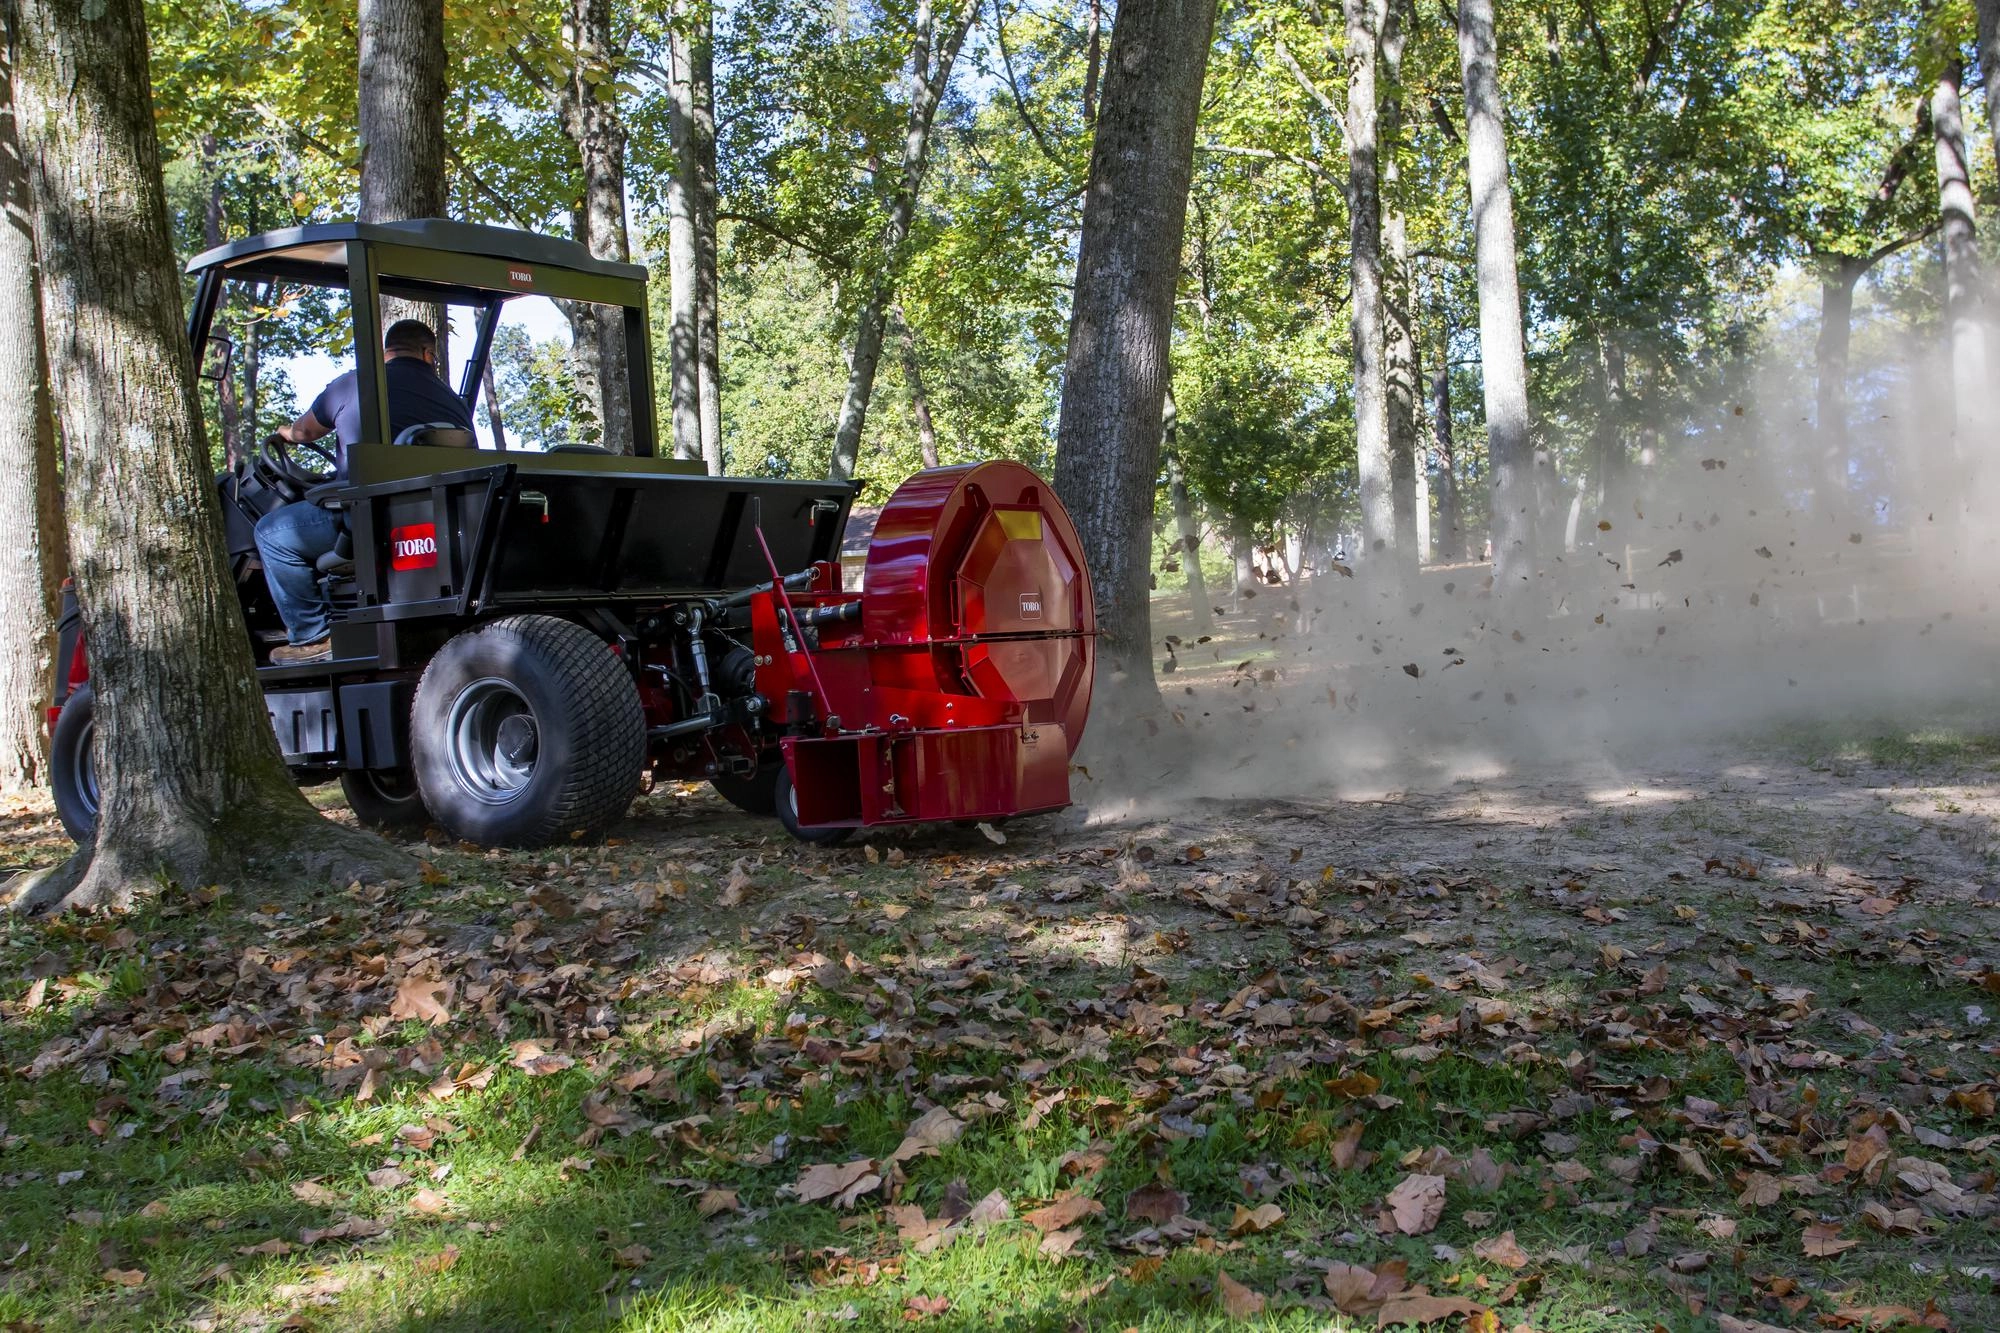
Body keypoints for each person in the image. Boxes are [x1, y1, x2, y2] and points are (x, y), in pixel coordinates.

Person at [257, 319, 475, 665]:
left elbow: (304, 432)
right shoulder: (453, 401)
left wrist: (285, 432)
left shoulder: (352, 384)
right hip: (435, 519)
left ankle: (312, 637)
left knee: (270, 534)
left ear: (386, 351)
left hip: (367, 519)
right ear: (428, 355)